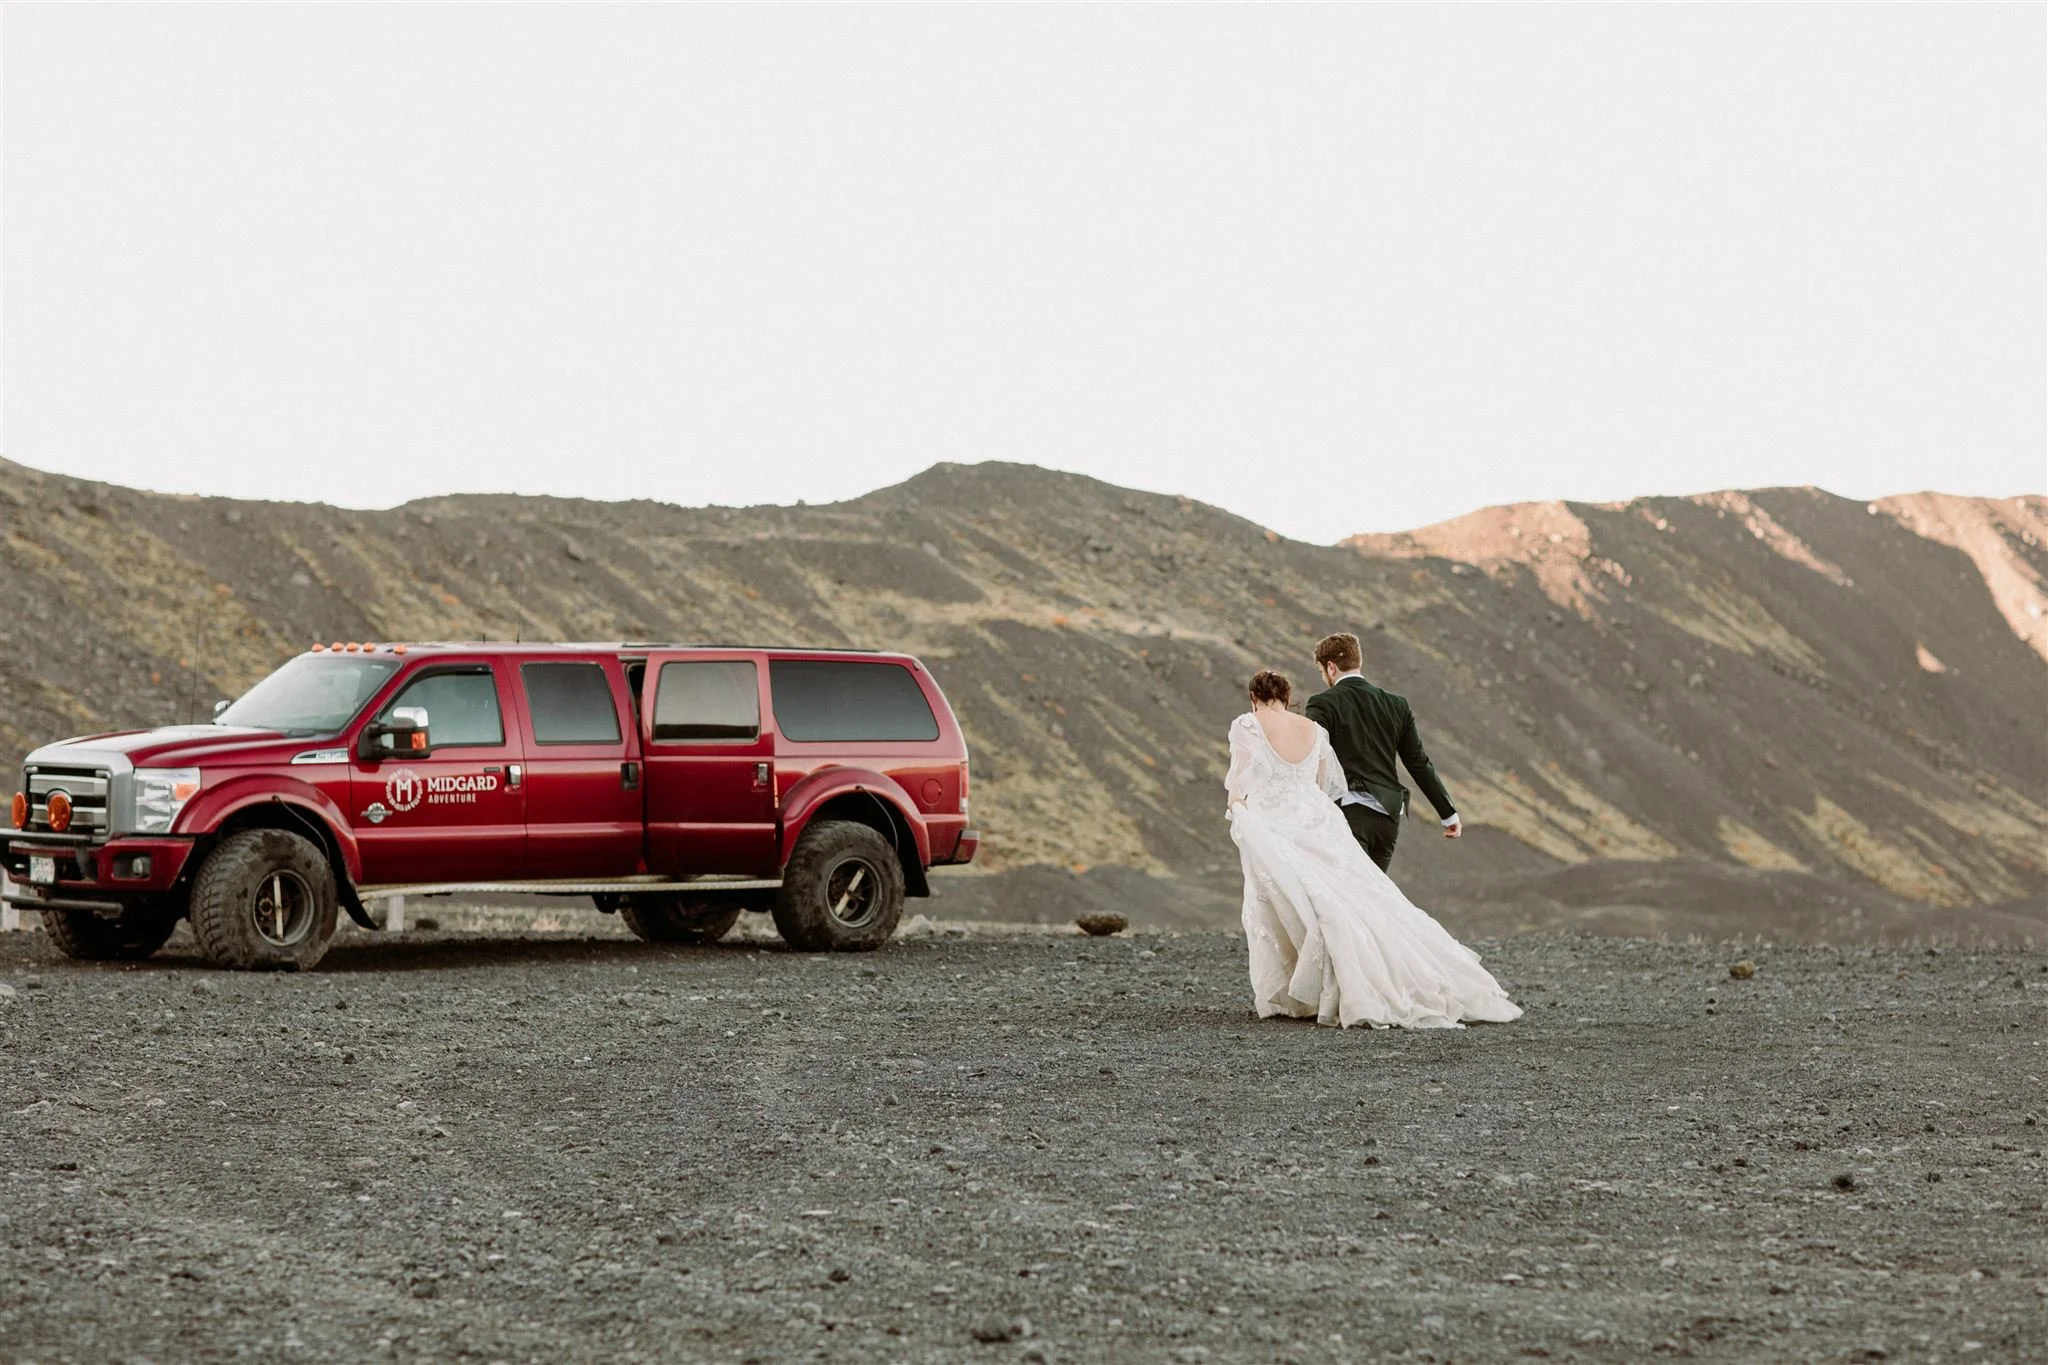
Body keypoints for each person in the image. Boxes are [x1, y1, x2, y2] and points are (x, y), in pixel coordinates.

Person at [1225, 668, 1520, 1029]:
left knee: (1286, 900)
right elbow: (1320, 783)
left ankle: (1302, 990)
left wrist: (1238, 807)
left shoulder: (1247, 724)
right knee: (1355, 895)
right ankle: (1384, 973)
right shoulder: (1313, 730)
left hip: (1274, 818)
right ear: (1287, 698)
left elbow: (1240, 777)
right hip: (1318, 818)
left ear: (1255, 697)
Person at [1303, 632, 1459, 872]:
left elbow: (1312, 756)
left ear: (1331, 667)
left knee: (1349, 897)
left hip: (1348, 813)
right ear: (1358, 662)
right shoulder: (1396, 704)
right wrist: (1448, 813)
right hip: (1387, 819)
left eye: (1322, 671)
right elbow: (1418, 763)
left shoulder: (1323, 703)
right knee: (1372, 900)